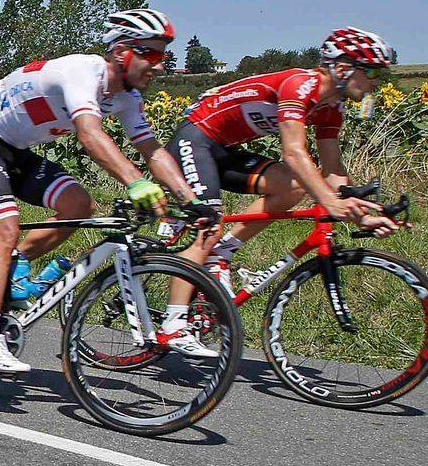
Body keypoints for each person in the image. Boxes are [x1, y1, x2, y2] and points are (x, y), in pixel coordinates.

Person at [0, 8, 197, 375]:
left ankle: (9, 267)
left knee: (78, 204)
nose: (159, 66)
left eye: (163, 56)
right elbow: (89, 134)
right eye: (152, 54)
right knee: (5, 230)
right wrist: (137, 182)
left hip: (17, 153)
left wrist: (191, 202)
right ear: (121, 52)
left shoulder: (127, 98)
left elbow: (154, 150)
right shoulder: (82, 72)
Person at [164, 27, 398, 309]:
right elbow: (294, 153)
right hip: (195, 139)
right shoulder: (299, 85)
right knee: (208, 229)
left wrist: (361, 215)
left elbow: (333, 171)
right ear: (343, 68)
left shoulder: (331, 107)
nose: (376, 83)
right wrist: (328, 200)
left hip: (224, 151)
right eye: (372, 72)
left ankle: (222, 253)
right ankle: (173, 323)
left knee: (293, 187)